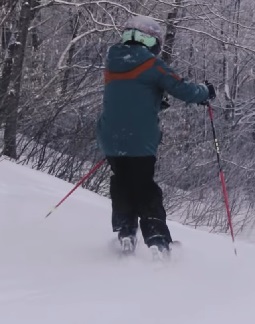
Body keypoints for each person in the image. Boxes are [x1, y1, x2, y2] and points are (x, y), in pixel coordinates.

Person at [96, 15, 215, 258]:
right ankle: (157, 241)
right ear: (152, 41)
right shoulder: (152, 64)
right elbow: (183, 89)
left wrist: (153, 103)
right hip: (140, 139)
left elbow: (126, 94)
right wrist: (206, 92)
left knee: (122, 181)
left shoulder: (112, 61)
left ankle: (126, 232)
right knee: (144, 187)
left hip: (110, 137)